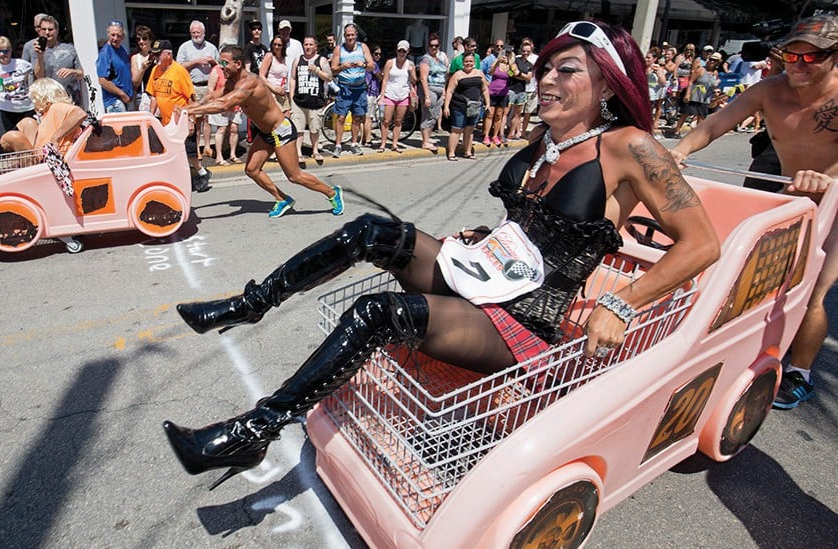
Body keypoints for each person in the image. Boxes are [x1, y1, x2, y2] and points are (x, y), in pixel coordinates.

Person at [162, 20, 720, 489]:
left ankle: (256, 430)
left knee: (377, 313)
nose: (547, 78)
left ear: (607, 84)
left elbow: (702, 243)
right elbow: (527, 228)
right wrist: (492, 234)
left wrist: (621, 303)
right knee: (373, 231)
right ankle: (251, 303)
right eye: (545, 68)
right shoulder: (543, 144)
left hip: (521, 319)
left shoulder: (627, 147)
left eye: (567, 69)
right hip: (485, 278)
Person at [671, 13, 838, 410]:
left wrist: (825, 179)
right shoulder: (769, 89)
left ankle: (801, 372)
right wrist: (679, 150)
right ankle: (750, 352)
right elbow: (715, 124)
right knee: (754, 279)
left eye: (811, 58)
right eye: (791, 55)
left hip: (833, 200)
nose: (798, 65)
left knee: (813, 289)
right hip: (788, 199)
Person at [177, 45, 343, 218]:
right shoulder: (232, 81)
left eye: (224, 62)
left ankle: (332, 193)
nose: (220, 66)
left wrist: (190, 111)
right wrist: (185, 108)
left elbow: (223, 105)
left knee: (294, 176)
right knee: (252, 170)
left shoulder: (249, 83)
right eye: (219, 61)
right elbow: (212, 97)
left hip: (281, 131)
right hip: (266, 133)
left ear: (238, 64)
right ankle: (282, 199)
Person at [145, 39, 211, 193]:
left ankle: (202, 172)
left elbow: (191, 98)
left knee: (189, 151)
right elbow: (154, 96)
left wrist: (190, 121)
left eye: (158, 54)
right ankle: (181, 178)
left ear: (168, 54)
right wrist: (150, 116)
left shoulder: (179, 71)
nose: (155, 57)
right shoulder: (155, 70)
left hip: (180, 120)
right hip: (166, 121)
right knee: (172, 152)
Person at [0, 77, 86, 155]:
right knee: (27, 122)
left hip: (50, 160)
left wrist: (56, 138)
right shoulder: (48, 113)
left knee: (12, 137)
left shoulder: (56, 107)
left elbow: (79, 114)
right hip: (40, 155)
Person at [177, 20, 220, 159]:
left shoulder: (212, 47)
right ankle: (196, 149)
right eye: (193, 33)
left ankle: (207, 146)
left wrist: (213, 61)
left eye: (198, 32)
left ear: (204, 33)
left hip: (208, 86)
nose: (196, 35)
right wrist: (196, 62)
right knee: (196, 119)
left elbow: (220, 66)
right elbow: (178, 67)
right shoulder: (185, 47)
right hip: (193, 87)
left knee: (208, 118)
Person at [330, 23, 374, 157]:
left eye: (352, 35)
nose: (350, 38)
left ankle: (354, 144)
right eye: (348, 35)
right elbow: (333, 68)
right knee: (341, 117)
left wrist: (364, 65)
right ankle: (338, 145)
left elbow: (372, 66)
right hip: (345, 88)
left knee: (357, 118)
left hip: (359, 88)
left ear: (356, 35)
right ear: (344, 36)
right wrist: (342, 67)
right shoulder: (339, 49)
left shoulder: (363, 47)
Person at [290, 35, 332, 163]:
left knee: (315, 128)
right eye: (306, 44)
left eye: (310, 45)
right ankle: (298, 153)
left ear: (315, 47)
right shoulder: (298, 60)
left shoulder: (322, 60)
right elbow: (293, 79)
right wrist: (291, 97)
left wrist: (317, 71)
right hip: (299, 101)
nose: (307, 47)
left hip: (316, 101)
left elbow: (329, 77)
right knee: (299, 129)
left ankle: (315, 151)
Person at [443, 51, 488, 160]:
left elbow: (485, 89)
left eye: (471, 61)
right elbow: (449, 91)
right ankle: (452, 153)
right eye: (466, 61)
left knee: (470, 129)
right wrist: (446, 106)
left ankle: (467, 152)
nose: (469, 63)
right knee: (456, 129)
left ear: (474, 62)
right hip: (459, 106)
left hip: (474, 105)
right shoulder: (457, 75)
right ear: (463, 62)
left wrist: (488, 103)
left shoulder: (479, 73)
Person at [0, 36, 35, 131]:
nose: (1, 54)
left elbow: (36, 78)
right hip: (7, 109)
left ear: (10, 50)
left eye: (5, 51)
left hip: (27, 106)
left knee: (31, 135)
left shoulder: (22, 64)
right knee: (12, 138)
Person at [32, 16, 84, 105]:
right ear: (39, 31)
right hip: (49, 100)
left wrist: (72, 72)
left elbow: (81, 74)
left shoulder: (70, 48)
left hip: (70, 99)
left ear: (57, 31)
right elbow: (39, 77)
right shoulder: (35, 50)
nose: (47, 32)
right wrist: (40, 57)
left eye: (50, 29)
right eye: (44, 29)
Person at [377, 40, 417, 153]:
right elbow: (384, 80)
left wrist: (411, 72)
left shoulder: (410, 64)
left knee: (399, 121)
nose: (401, 53)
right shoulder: (390, 63)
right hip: (390, 94)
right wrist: (382, 96)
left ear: (408, 51)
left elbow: (414, 80)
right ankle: (383, 143)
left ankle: (394, 144)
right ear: (397, 50)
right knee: (386, 120)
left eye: (404, 51)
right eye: (400, 50)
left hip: (403, 95)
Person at [418, 33, 447, 151]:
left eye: (436, 45)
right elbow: (423, 78)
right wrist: (426, 96)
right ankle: (424, 141)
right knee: (427, 115)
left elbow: (444, 76)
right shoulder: (425, 59)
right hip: (430, 89)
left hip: (440, 89)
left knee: (434, 116)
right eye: (431, 45)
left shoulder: (440, 59)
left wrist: (444, 92)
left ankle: (428, 138)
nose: (434, 48)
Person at [96, 20, 133, 113]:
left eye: (119, 35)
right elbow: (102, 80)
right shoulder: (105, 53)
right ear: (108, 34)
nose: (115, 38)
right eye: (113, 35)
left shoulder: (122, 49)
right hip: (115, 103)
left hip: (124, 101)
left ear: (123, 36)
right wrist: (122, 94)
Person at [482, 46, 516, 146]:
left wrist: (509, 63)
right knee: (490, 114)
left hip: (503, 93)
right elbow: (490, 72)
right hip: (493, 92)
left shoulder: (512, 65)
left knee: (499, 115)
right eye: (505, 53)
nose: (506, 55)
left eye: (509, 54)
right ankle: (486, 135)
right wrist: (497, 62)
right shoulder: (496, 63)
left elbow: (511, 74)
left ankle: (495, 136)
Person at [505, 42, 533, 141]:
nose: (525, 53)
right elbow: (510, 73)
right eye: (524, 51)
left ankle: (512, 133)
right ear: (520, 50)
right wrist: (521, 76)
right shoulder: (515, 60)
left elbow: (529, 79)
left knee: (517, 114)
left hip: (522, 91)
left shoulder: (530, 65)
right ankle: (500, 133)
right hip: (511, 89)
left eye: (528, 51)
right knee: (505, 112)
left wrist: (519, 74)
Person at [259, 35, 292, 115]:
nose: (276, 47)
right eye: (274, 44)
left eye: (279, 45)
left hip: (282, 93)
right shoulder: (269, 56)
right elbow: (261, 75)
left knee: (287, 117)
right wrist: (273, 88)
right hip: (272, 92)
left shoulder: (283, 58)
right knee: (277, 119)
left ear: (283, 46)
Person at [130, 25, 156, 112]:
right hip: (143, 95)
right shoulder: (135, 58)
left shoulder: (158, 55)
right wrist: (142, 69)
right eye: (138, 39)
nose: (141, 41)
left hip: (158, 94)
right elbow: (135, 83)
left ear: (150, 39)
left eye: (144, 38)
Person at [362, 45, 383, 147]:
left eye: (380, 54)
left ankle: (363, 138)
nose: (378, 56)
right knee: (368, 118)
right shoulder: (373, 64)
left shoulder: (368, 64)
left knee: (364, 117)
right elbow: (379, 76)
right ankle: (368, 140)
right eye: (376, 54)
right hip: (370, 92)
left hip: (368, 92)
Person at [645, 48, 667, 134]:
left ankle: (649, 129)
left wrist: (657, 73)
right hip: (642, 93)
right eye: (646, 57)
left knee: (649, 112)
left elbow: (663, 82)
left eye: (648, 58)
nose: (646, 59)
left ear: (654, 59)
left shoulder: (657, 68)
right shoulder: (643, 67)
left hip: (652, 95)